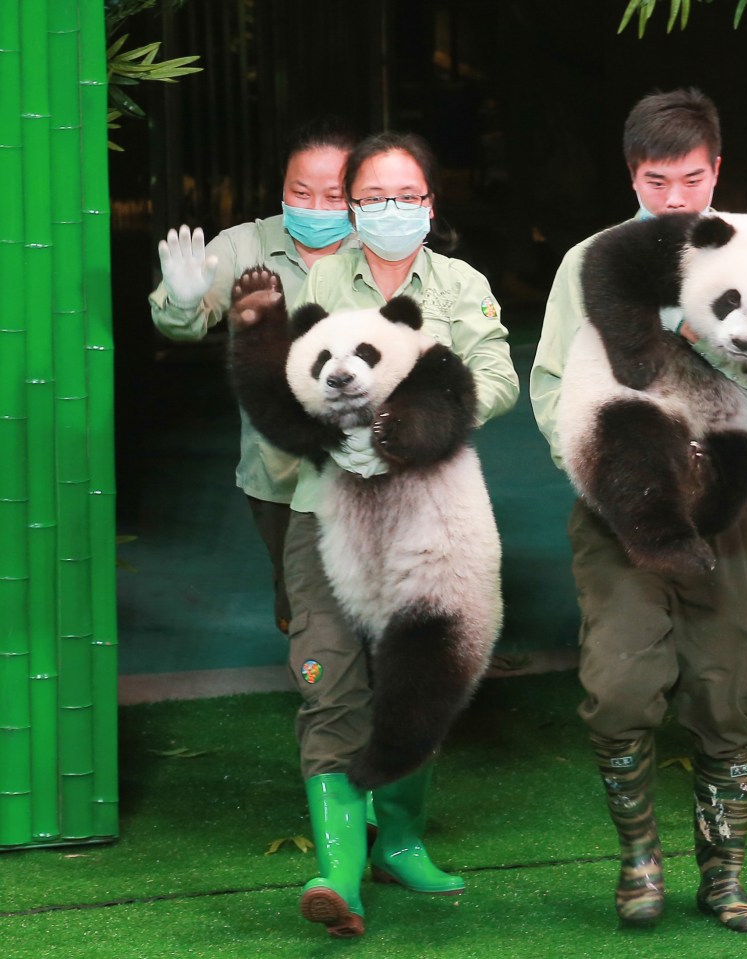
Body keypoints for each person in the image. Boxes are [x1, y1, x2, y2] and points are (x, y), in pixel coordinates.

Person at [530, 88, 747, 935]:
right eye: (656, 178)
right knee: (621, 684)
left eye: (692, 177)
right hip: (621, 510)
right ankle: (640, 859)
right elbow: (552, 389)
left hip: (724, 505)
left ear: (719, 169)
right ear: (631, 174)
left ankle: (726, 874)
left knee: (733, 687)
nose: (675, 197)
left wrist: (711, 343)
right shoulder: (589, 261)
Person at [286, 131, 520, 938]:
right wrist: (332, 426)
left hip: (432, 512)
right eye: (374, 198)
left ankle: (405, 839)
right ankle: (340, 870)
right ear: (351, 205)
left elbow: (496, 373)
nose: (391, 210)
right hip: (330, 509)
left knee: (419, 677)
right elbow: (289, 378)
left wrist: (422, 423)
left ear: (430, 202)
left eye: (407, 196)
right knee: (332, 679)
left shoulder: (459, 283)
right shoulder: (321, 279)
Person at [149, 119, 357, 636]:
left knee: (370, 588)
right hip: (279, 470)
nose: (314, 208)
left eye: (334, 196)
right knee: (302, 594)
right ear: (281, 188)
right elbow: (184, 326)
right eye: (300, 192)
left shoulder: (373, 248)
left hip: (365, 461)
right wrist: (185, 297)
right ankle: (321, 682)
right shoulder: (245, 245)